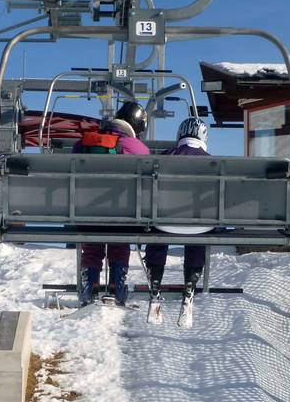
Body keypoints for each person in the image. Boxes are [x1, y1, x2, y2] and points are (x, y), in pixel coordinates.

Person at [75, 101, 150, 306]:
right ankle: (117, 283)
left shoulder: (84, 143)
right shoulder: (136, 148)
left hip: (87, 214)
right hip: (123, 216)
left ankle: (89, 285)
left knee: (92, 242)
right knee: (120, 237)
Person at [144, 117, 210, 295]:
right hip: (198, 225)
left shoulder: (164, 157)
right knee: (199, 228)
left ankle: (155, 277)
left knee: (157, 227)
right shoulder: (212, 162)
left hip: (163, 222)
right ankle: (191, 280)